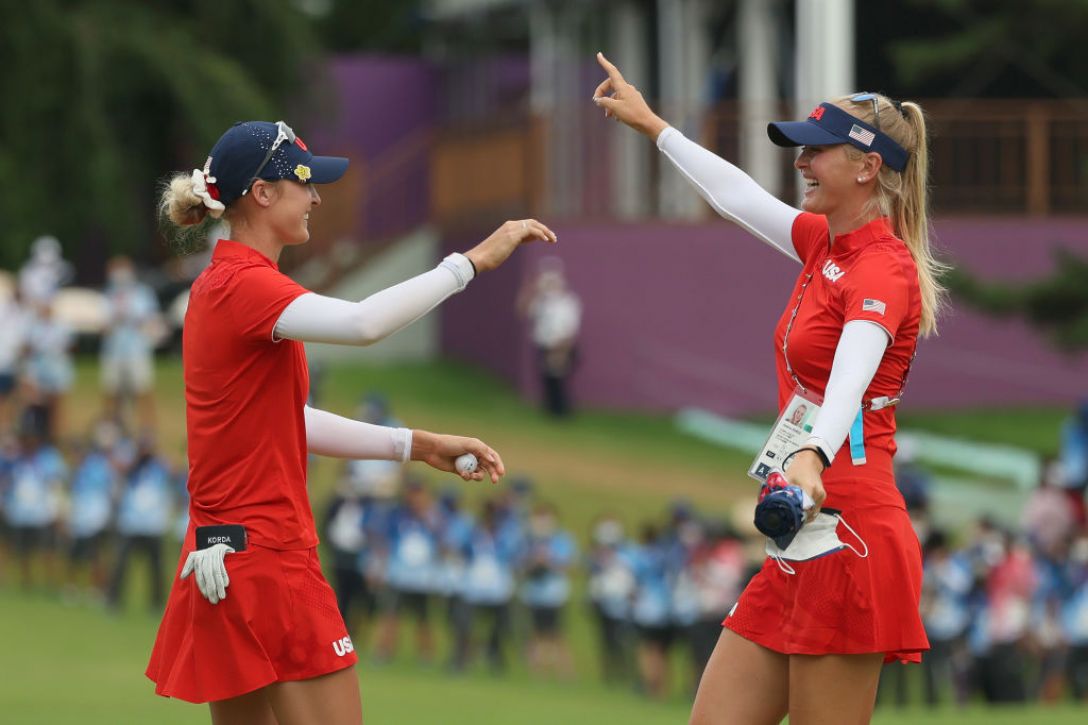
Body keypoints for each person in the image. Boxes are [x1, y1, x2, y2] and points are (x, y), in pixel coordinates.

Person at [146, 120, 556, 724]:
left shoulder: (221, 283)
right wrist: (470, 264)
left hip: (223, 555)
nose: (315, 196)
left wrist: (413, 444)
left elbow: (283, 422)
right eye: (303, 182)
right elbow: (365, 323)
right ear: (262, 193)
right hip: (269, 557)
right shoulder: (245, 283)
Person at [594, 52, 940, 723]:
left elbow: (851, 373)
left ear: (868, 166)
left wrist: (812, 451)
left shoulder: (882, 267)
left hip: (849, 534)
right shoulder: (826, 247)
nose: (801, 163)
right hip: (797, 531)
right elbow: (736, 197)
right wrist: (655, 126)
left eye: (817, 152)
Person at [100, 256, 165, 431]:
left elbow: (151, 321)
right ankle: (114, 431)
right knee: (112, 393)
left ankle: (148, 431)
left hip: (137, 351)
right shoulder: (108, 294)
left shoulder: (142, 293)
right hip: (113, 352)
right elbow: (103, 325)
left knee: (143, 392)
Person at [516, 259, 581, 418]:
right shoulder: (541, 302)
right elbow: (522, 311)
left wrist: (561, 352)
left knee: (559, 382)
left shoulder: (567, 302)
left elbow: (570, 329)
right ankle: (551, 412)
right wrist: (531, 289)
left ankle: (561, 413)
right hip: (545, 346)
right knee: (548, 382)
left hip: (560, 347)